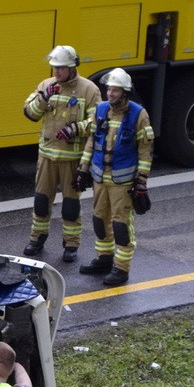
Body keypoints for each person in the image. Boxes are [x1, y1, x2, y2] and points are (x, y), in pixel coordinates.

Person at [73, 67, 154, 286]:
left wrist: (141, 181)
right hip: (100, 178)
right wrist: (82, 169)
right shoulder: (100, 110)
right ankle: (104, 259)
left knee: (121, 226)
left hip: (122, 182)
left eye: (115, 90)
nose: (110, 94)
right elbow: (92, 141)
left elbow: (144, 152)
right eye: (109, 89)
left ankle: (121, 269)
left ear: (125, 92)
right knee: (99, 220)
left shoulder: (139, 114)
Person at [22, 45, 102, 263]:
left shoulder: (89, 90)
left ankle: (71, 244)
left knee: (70, 205)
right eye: (54, 68)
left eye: (60, 68)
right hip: (47, 156)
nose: (56, 72)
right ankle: (37, 239)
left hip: (71, 158)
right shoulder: (46, 86)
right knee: (41, 201)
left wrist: (76, 129)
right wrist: (43, 98)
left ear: (72, 67)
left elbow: (97, 122)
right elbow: (30, 112)